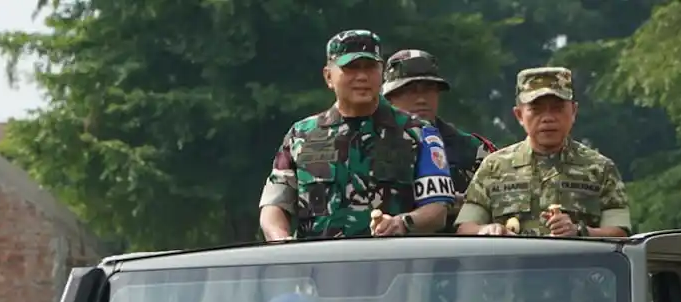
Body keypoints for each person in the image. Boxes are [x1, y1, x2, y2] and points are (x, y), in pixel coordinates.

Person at [258, 30, 456, 241]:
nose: (362, 77)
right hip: (320, 266)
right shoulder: (300, 136)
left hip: (392, 265)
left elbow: (436, 211)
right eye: (351, 68)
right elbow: (274, 206)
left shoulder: (419, 133)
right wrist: (280, 238)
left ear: (381, 73)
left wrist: (401, 223)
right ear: (328, 76)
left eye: (370, 67)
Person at [456, 67, 631, 238]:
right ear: (519, 115)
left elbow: (620, 233)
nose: (548, 118)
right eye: (536, 109)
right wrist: (486, 231)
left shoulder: (600, 168)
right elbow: (465, 227)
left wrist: (580, 231)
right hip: (512, 265)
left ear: (574, 112)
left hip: (577, 266)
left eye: (557, 108)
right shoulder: (494, 167)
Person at [381, 49, 496, 227]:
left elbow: (499, 204)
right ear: (390, 98)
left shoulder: (473, 150)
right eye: (410, 90)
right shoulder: (371, 144)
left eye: (429, 89)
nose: (421, 99)